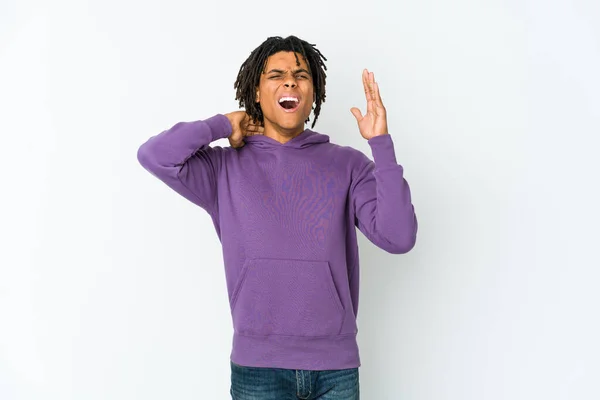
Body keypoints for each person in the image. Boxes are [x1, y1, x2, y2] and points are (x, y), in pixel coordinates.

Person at [137, 35, 418, 399]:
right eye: (277, 75)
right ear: (255, 92)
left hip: (334, 369)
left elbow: (399, 237)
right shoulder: (223, 167)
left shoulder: (348, 165)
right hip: (258, 369)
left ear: (313, 94)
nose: (290, 81)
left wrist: (381, 144)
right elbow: (154, 155)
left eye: (301, 75)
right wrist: (223, 124)